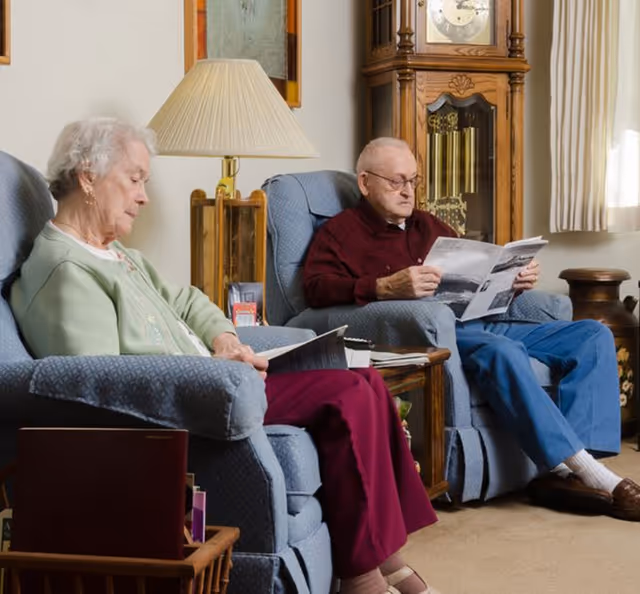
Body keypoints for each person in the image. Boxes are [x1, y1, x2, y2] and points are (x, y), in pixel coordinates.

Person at [9, 119, 442, 594]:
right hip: (190, 407)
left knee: (366, 383)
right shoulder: (64, 270)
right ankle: (362, 576)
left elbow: (190, 300)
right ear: (88, 176)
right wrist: (214, 374)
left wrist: (225, 340)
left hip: (217, 382)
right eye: (134, 179)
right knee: (346, 395)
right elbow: (100, 387)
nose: (144, 197)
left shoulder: (115, 254)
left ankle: (383, 554)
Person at [303, 136, 640, 522]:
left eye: (413, 180)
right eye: (397, 181)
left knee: (592, 335)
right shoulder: (340, 233)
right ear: (365, 183)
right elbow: (314, 289)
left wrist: (512, 279)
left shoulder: (428, 224)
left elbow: (475, 272)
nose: (408, 191)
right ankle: (589, 474)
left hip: (483, 319)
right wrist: (383, 286)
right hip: (435, 332)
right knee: (503, 351)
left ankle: (571, 474)